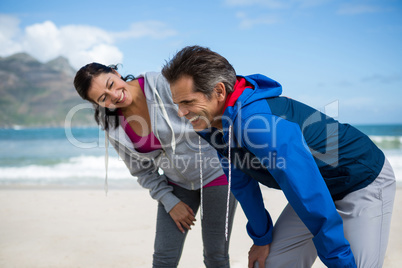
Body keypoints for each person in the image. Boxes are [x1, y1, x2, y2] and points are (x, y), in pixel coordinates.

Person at [161, 45, 396, 268]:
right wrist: (261, 237)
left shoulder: (256, 124)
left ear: (219, 91)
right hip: (318, 187)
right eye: (177, 104)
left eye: (188, 102)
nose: (181, 113)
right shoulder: (210, 126)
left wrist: (338, 259)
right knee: (269, 263)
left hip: (361, 179)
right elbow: (241, 183)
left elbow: (306, 191)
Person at [73, 63, 237, 268]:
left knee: (216, 256)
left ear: (115, 73)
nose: (114, 95)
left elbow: (211, 112)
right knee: (163, 259)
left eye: (111, 84)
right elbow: (142, 170)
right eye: (103, 98)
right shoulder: (113, 126)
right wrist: (170, 201)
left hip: (217, 175)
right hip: (177, 185)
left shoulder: (164, 84)